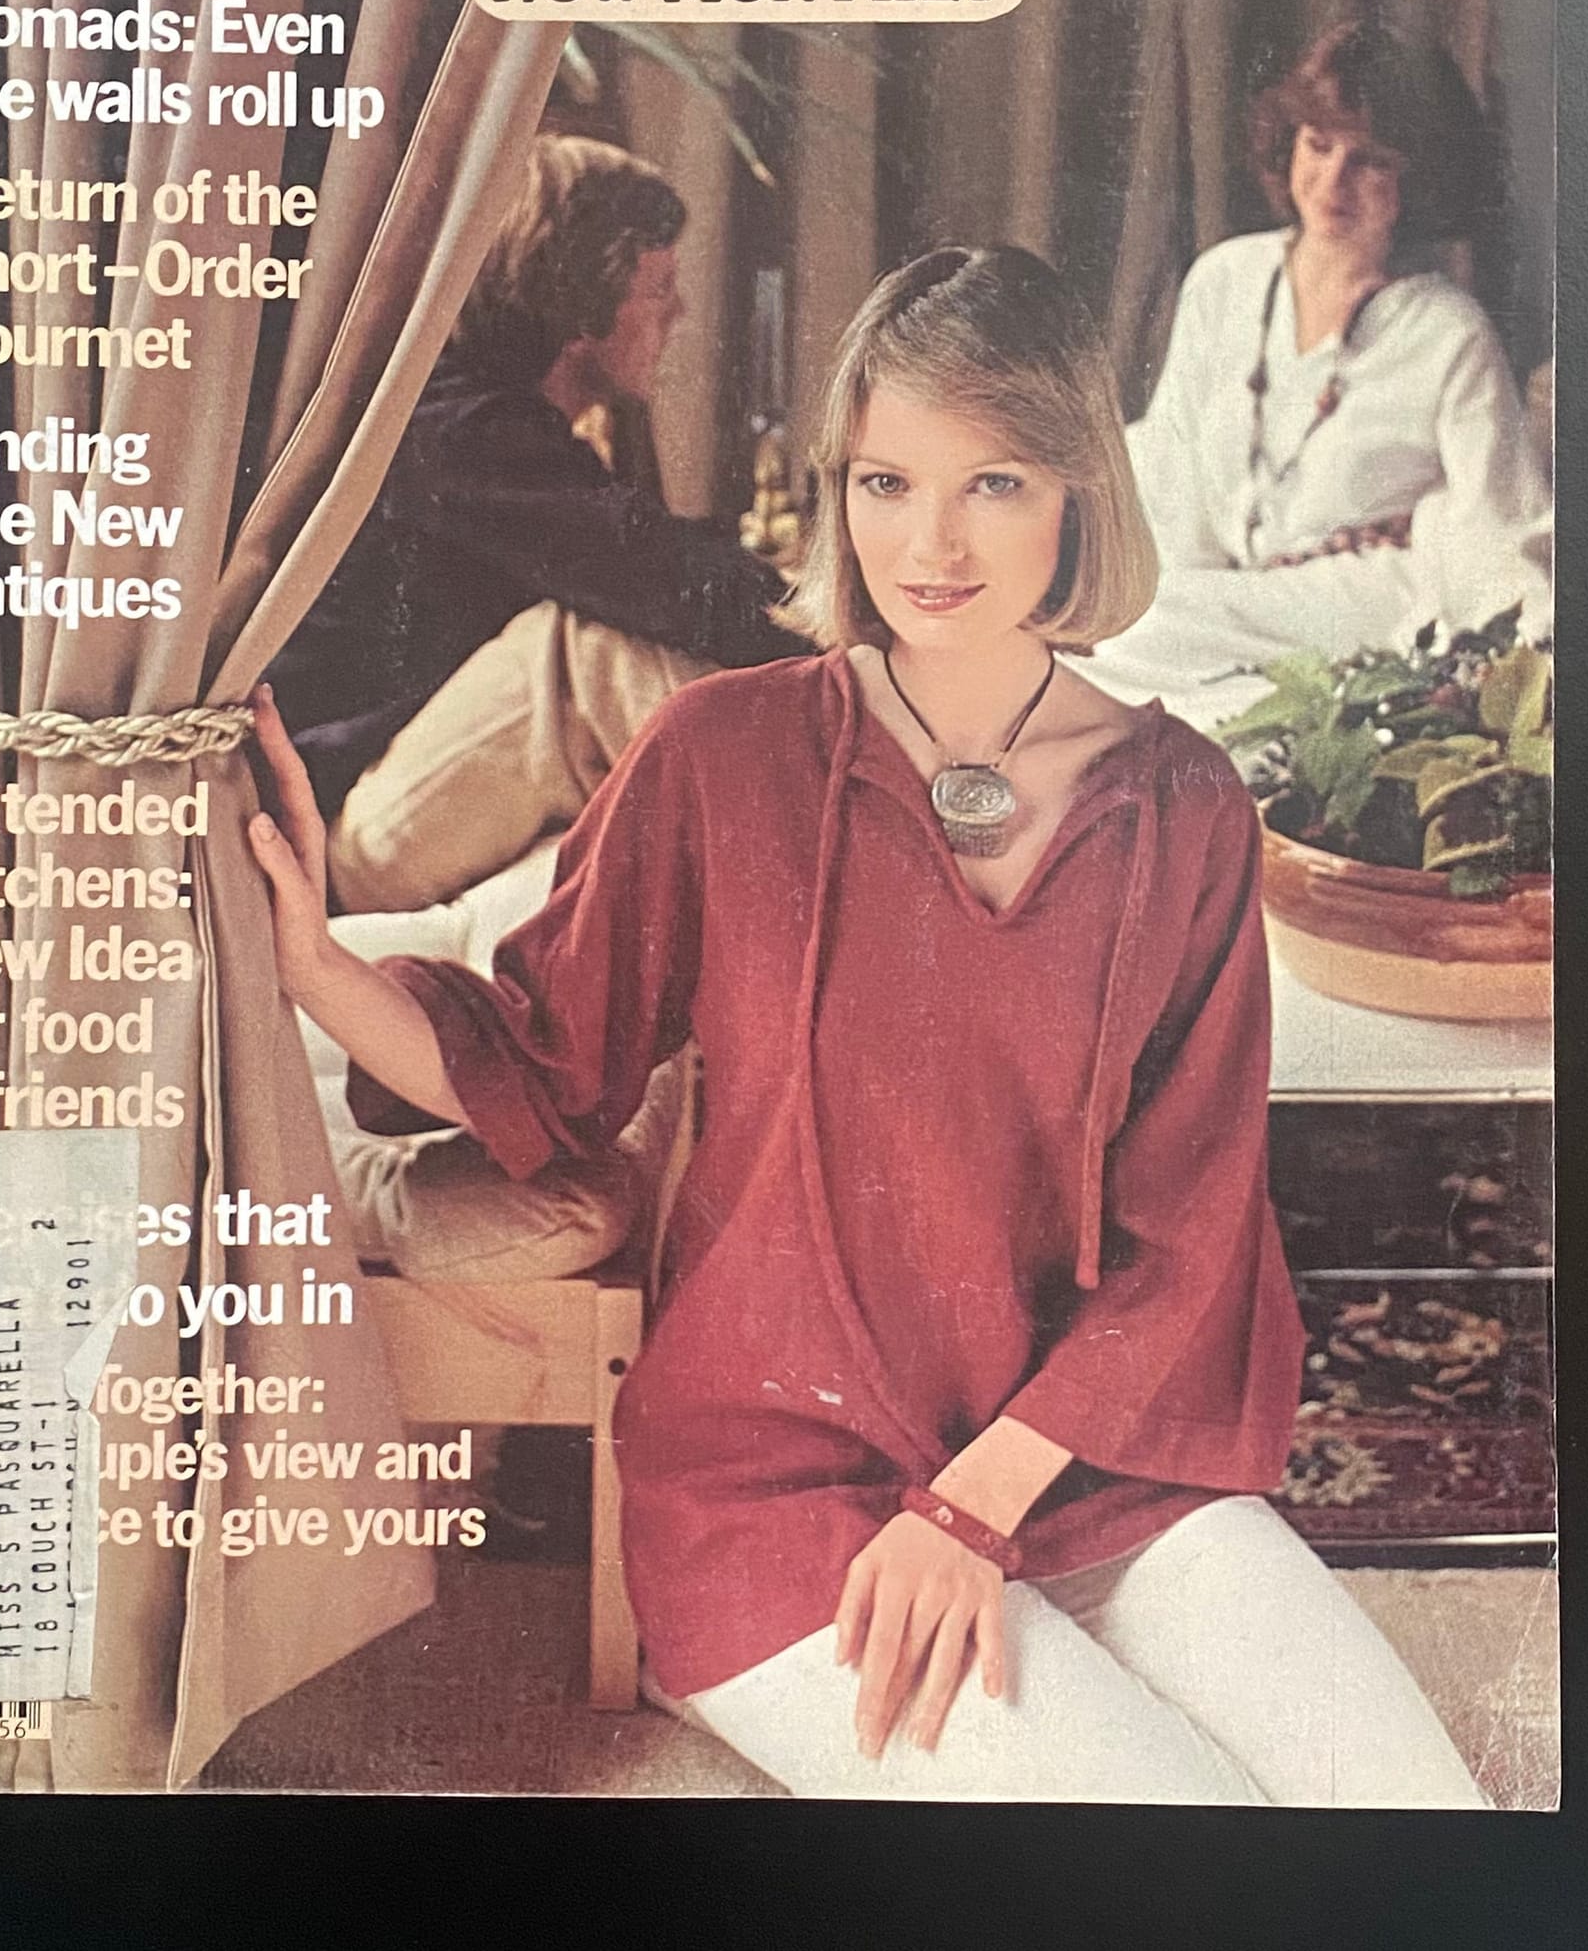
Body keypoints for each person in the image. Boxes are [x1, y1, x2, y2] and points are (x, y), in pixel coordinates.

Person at [248, 246, 1486, 1805]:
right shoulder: (721, 753)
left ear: (1080, 498)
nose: (931, 543)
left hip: (1082, 1465)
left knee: (1425, 1819)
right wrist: (309, 959)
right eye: (888, 481)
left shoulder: (1186, 808)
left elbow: (1194, 1235)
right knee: (1186, 1837)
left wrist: (978, 1509)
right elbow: (542, 1060)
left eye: (996, 484)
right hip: (784, 1492)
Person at [264, 133, 808, 908]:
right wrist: (854, 626)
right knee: (581, 652)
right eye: (659, 289)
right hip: (342, 830)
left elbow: (667, 562)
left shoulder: (493, 424)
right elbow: (664, 576)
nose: (679, 312)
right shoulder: (460, 432)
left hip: (391, 798)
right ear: (587, 301)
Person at [1085, 22, 1551, 719]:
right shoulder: (1225, 280)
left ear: (1415, 178)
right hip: (1224, 597)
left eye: (1370, 161)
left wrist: (1529, 670)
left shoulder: (1447, 331)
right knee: (1112, 616)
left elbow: (1504, 521)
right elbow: (1173, 454)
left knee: (1138, 629)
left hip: (1368, 602)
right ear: (1289, 144)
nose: (1333, 181)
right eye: (1319, 145)